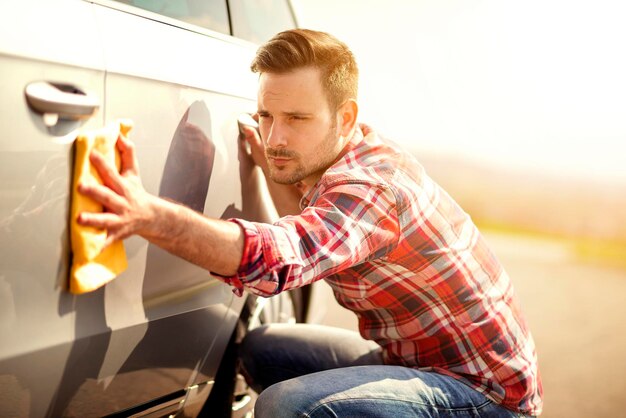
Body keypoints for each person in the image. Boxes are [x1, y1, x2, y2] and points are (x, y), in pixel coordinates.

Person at [78, 29, 543, 417]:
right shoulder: (348, 156)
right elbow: (308, 223)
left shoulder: (371, 188)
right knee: (263, 348)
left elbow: (281, 258)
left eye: (297, 118)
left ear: (346, 117)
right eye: (266, 115)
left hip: (486, 397)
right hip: (414, 360)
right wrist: (269, 164)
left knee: (289, 406)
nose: (275, 137)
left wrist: (146, 212)